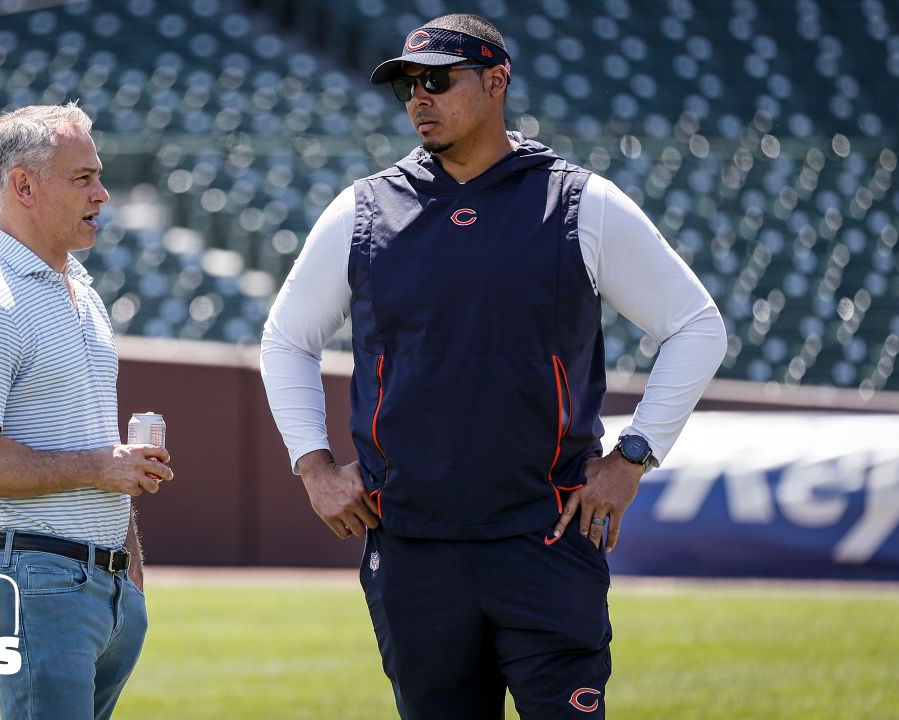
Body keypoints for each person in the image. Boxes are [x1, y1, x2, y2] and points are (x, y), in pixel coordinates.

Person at [260, 13, 727, 720]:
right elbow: (285, 339)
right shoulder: (363, 210)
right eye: (408, 85)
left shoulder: (579, 202)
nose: (420, 96)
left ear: (497, 81)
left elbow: (696, 327)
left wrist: (632, 457)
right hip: (413, 548)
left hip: (546, 540)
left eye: (439, 80)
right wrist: (313, 466)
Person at [0, 102, 173, 720]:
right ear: (24, 186)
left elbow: (101, 451)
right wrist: (99, 467)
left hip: (103, 586)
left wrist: (130, 575)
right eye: (82, 178)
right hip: (33, 582)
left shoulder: (83, 293)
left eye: (97, 175)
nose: (103, 192)